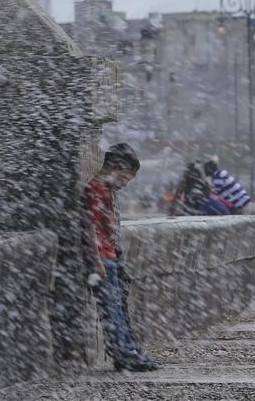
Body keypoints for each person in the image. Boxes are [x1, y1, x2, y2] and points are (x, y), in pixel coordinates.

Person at [84, 143, 160, 372]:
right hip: (101, 258)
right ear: (114, 167)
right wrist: (96, 261)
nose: (125, 184)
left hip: (110, 255)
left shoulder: (105, 190)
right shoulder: (95, 189)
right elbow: (89, 226)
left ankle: (129, 351)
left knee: (117, 306)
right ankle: (124, 354)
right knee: (111, 308)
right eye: (125, 178)